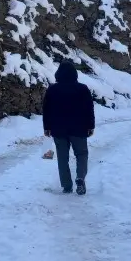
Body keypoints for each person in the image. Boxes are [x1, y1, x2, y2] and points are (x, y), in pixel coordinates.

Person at [42, 60, 95, 195]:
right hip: (79, 128)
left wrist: (47, 127)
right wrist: (90, 126)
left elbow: (46, 109)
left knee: (62, 157)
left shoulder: (52, 89)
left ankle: (66, 185)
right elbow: (89, 108)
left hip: (58, 129)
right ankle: (80, 178)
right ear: (74, 74)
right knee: (81, 154)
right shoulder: (82, 89)